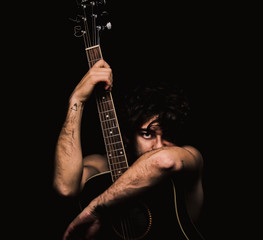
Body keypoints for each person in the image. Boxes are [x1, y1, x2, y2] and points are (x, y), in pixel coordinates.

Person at [53, 59, 204, 240]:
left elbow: (164, 161)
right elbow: (65, 187)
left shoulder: (190, 159)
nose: (158, 145)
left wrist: (96, 208)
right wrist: (77, 100)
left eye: (168, 136)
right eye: (147, 135)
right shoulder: (100, 166)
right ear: (127, 137)